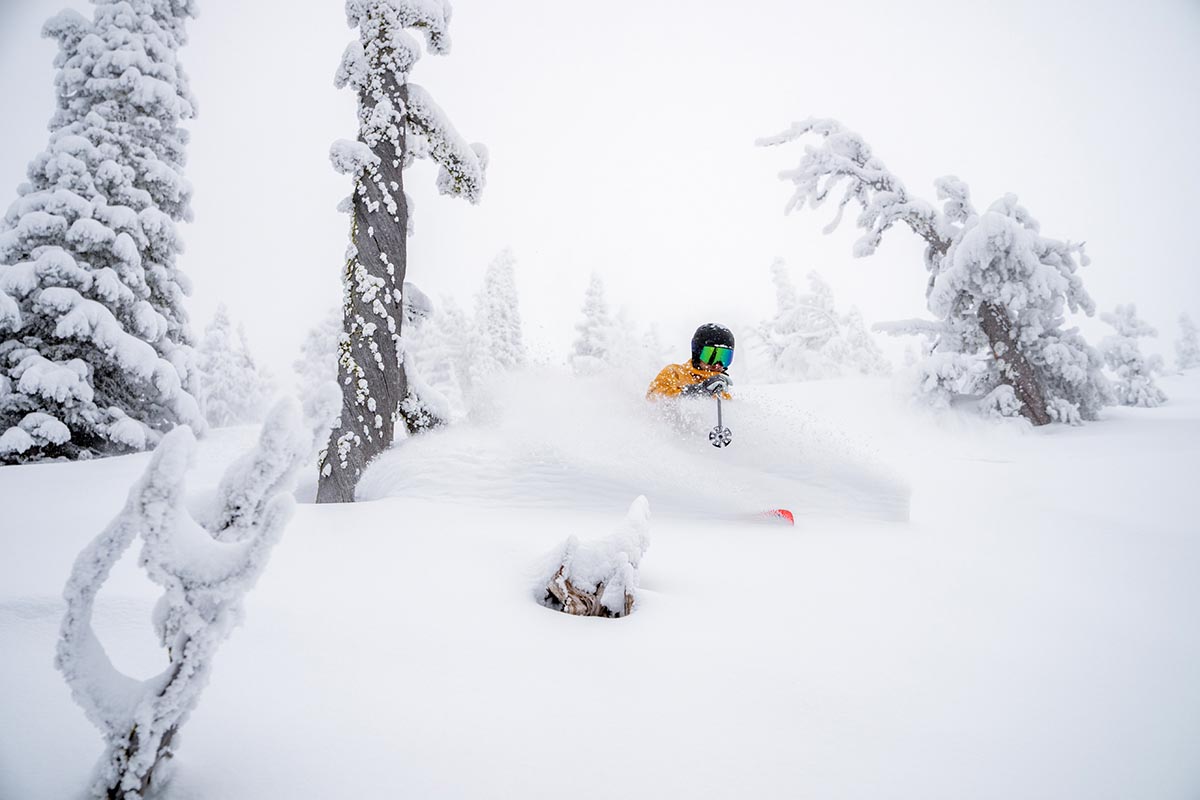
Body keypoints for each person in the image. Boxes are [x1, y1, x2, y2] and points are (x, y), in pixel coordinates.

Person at [646, 323, 735, 400]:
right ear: (697, 353)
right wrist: (697, 391)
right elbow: (653, 397)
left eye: (724, 358)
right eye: (711, 357)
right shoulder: (675, 373)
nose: (717, 365)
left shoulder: (721, 391)